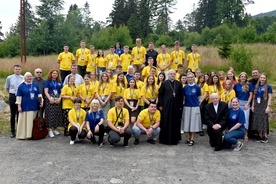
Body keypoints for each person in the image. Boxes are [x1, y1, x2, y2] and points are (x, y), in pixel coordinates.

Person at [158, 69, 183, 145]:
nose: (172, 75)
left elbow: (181, 96)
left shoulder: (178, 84)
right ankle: (165, 139)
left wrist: (180, 106)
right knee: (166, 122)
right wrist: (161, 105)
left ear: (175, 75)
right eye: (171, 74)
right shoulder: (164, 83)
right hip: (166, 106)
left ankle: (175, 139)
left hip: (176, 106)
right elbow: (160, 95)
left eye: (173, 74)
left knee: (175, 122)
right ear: (168, 75)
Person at [15, 72, 43, 139]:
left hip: (34, 106)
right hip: (25, 106)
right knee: (24, 121)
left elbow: (39, 95)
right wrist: (19, 106)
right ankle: (23, 135)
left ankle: (31, 135)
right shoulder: (21, 86)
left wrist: (41, 102)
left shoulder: (35, 85)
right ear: (25, 77)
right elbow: (18, 97)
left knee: (32, 122)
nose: (29, 78)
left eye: (30, 76)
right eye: (28, 76)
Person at [251, 73, 272, 143]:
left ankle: (265, 135)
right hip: (257, 103)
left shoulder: (268, 87)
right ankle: (260, 135)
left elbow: (270, 98)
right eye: (261, 78)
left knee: (263, 119)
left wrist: (268, 107)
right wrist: (253, 105)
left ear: (266, 79)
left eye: (264, 78)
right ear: (259, 78)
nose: (262, 79)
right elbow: (254, 97)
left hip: (264, 103)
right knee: (257, 119)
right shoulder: (256, 86)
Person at [182, 72, 201, 146]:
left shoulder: (197, 87)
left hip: (194, 107)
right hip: (187, 106)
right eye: (188, 77)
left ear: (194, 78)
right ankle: (189, 137)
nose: (190, 79)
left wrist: (198, 104)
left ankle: (192, 139)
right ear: (187, 78)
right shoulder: (185, 87)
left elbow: (199, 97)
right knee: (188, 123)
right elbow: (184, 97)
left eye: (191, 77)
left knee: (193, 124)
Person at [4, 64, 23, 138]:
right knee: (13, 114)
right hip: (12, 96)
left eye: (19, 69)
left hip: (20, 97)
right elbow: (7, 88)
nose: (17, 70)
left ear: (20, 70)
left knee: (19, 113)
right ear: (14, 70)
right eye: (16, 69)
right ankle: (12, 131)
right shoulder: (9, 77)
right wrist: (12, 94)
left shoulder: (23, 77)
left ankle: (19, 130)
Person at [233, 72, 253, 140]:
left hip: (245, 103)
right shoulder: (236, 85)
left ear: (246, 78)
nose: (243, 78)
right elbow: (234, 95)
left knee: (246, 118)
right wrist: (235, 104)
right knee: (237, 118)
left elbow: (251, 95)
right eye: (242, 76)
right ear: (239, 77)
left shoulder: (249, 85)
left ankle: (245, 133)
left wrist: (247, 104)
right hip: (238, 103)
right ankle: (237, 133)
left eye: (244, 77)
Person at [44, 70, 63, 138]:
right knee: (50, 114)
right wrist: (50, 99)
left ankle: (55, 128)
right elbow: (46, 91)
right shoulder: (47, 82)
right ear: (51, 74)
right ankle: (49, 130)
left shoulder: (59, 82)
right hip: (50, 99)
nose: (55, 74)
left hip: (57, 98)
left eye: (56, 73)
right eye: (53, 73)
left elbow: (61, 91)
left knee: (56, 114)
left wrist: (60, 99)